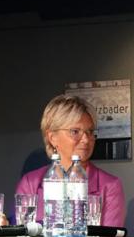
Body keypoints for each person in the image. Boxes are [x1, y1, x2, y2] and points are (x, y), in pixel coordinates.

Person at [15, 93, 126, 229]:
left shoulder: (110, 186)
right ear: (52, 137)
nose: (86, 139)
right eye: (75, 131)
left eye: (90, 131)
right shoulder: (30, 183)